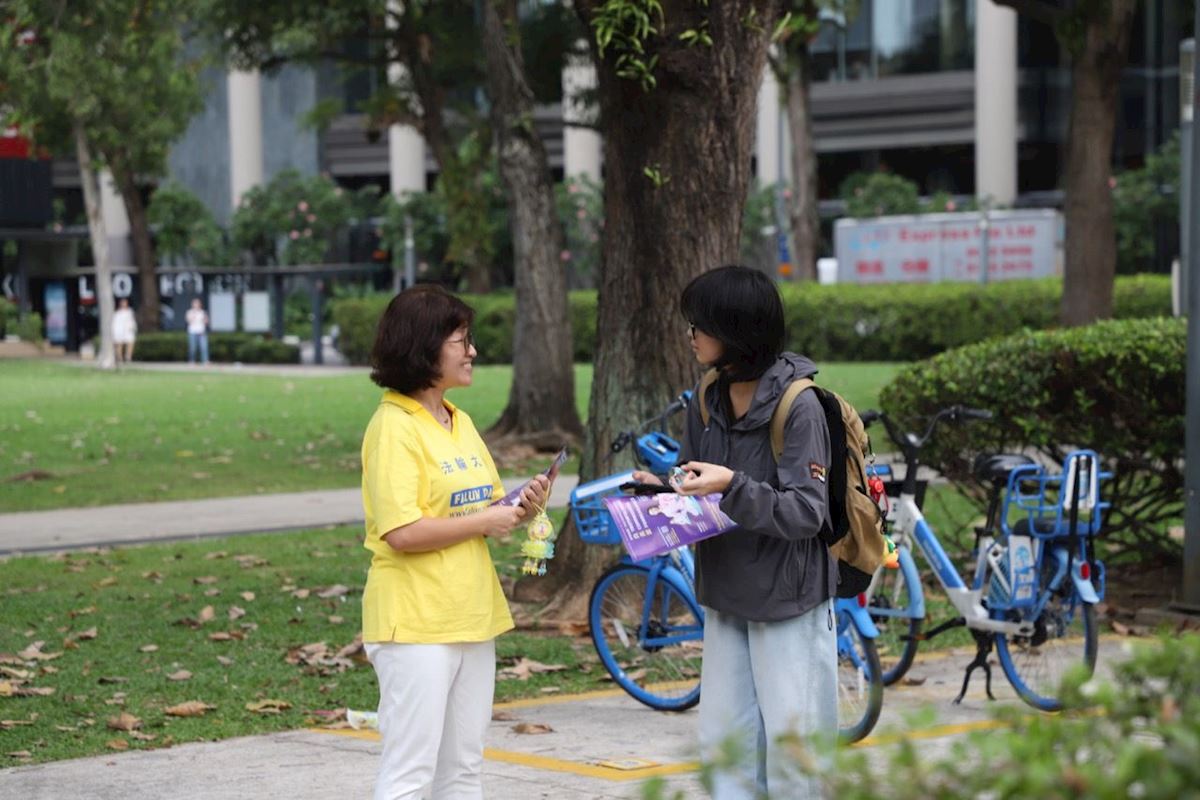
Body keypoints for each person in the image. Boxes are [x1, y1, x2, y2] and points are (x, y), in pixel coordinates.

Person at [633, 265, 837, 799]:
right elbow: (692, 475)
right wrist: (661, 489)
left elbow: (806, 513)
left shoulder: (799, 407)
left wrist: (732, 485)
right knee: (727, 750)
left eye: (700, 325)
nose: (691, 335)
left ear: (736, 330)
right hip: (725, 593)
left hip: (788, 598)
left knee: (795, 755)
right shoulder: (706, 396)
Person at [360, 284, 549, 800]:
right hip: (415, 624)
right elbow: (401, 532)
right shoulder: (393, 427)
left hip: (472, 615)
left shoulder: (457, 420)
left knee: (464, 769)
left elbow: (483, 508)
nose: (473, 351)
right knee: (410, 774)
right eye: (461, 340)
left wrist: (521, 506)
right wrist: (486, 520)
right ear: (424, 347)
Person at [111, 298, 137, 365]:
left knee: (130, 344)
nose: (123, 304)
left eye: (125, 303)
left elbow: (132, 321)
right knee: (119, 345)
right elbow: (115, 323)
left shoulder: (130, 312)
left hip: (128, 331)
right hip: (119, 331)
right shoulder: (117, 313)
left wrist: (133, 328)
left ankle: (128, 358)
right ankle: (119, 359)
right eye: (122, 303)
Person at [185, 298, 209, 365]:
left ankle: (205, 361)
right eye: (195, 303)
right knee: (192, 348)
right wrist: (194, 314)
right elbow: (188, 321)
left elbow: (206, 322)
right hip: (192, 332)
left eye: (198, 303)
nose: (197, 305)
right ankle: (192, 361)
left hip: (201, 332)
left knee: (204, 347)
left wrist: (205, 319)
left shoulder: (203, 312)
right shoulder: (189, 312)